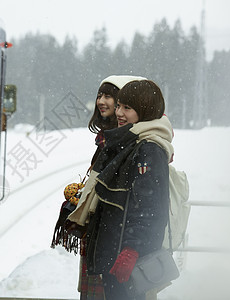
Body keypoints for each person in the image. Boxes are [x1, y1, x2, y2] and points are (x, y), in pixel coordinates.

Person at [69, 79, 174, 300]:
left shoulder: (149, 149)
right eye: (120, 106)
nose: (119, 113)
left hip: (127, 258)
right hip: (114, 253)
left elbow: (151, 208)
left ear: (145, 111)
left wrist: (132, 250)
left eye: (127, 108)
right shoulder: (128, 141)